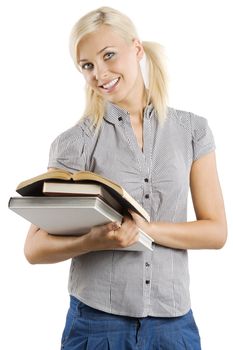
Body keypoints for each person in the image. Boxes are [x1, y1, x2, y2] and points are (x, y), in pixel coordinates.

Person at [24, 6, 227, 350]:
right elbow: (34, 247)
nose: (99, 73)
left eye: (109, 56)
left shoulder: (192, 131)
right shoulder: (75, 142)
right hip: (96, 324)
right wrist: (95, 240)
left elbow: (216, 231)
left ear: (136, 49)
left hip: (173, 325)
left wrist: (144, 229)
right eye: (87, 65)